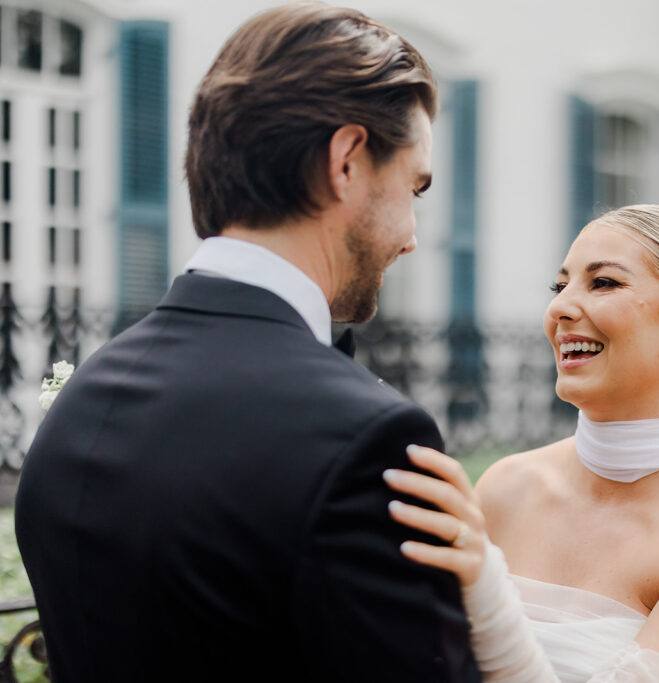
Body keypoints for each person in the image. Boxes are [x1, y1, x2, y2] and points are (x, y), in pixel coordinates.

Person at [15, 4, 479, 682]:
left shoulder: (80, 399)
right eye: (413, 186)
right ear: (347, 160)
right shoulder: (365, 437)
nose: (412, 235)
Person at [385, 204, 659, 682]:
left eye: (604, 283)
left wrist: (487, 597)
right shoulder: (507, 486)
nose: (559, 309)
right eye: (560, 286)